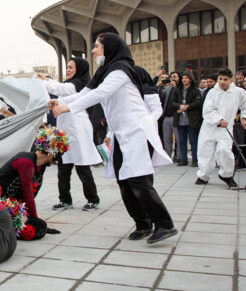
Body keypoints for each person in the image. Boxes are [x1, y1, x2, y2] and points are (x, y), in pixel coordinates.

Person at [51, 33, 177, 244]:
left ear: (108, 48)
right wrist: (57, 101)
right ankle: (142, 223)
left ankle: (164, 224)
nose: (93, 50)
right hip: (121, 133)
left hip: (136, 131)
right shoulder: (105, 71)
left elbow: (100, 93)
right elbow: (85, 92)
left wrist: (69, 107)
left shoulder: (120, 70)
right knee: (123, 179)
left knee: (137, 178)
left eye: (97, 46)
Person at [39, 57, 101, 211]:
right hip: (65, 129)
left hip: (77, 128)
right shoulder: (70, 85)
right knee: (63, 166)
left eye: (71, 67)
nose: (67, 70)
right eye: (67, 67)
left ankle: (93, 199)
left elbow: (60, 89)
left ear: (79, 69)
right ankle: (65, 199)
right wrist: (47, 81)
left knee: (82, 165)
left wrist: (45, 82)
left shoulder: (78, 85)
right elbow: (60, 89)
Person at [0, 126, 65, 219]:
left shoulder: (41, 165)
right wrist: (34, 220)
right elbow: (28, 194)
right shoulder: (26, 162)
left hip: (13, 204)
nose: (55, 161)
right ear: (52, 154)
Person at [195, 69, 246, 187]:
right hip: (209, 127)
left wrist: (244, 118)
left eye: (225, 79)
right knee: (205, 151)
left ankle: (226, 175)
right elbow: (207, 110)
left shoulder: (238, 92)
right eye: (220, 79)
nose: (222, 82)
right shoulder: (212, 93)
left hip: (226, 128)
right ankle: (204, 176)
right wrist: (219, 120)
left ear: (231, 80)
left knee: (225, 150)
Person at [170, 71, 202, 167]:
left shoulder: (196, 90)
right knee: (181, 140)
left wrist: (188, 106)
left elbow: (198, 103)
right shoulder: (177, 90)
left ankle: (195, 159)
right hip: (180, 120)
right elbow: (173, 103)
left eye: (186, 78)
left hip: (191, 119)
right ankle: (184, 159)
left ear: (191, 79)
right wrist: (180, 106)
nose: (184, 80)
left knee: (193, 140)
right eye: (183, 78)